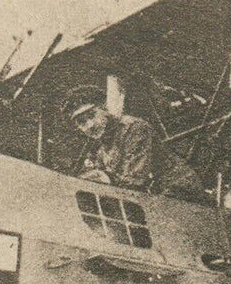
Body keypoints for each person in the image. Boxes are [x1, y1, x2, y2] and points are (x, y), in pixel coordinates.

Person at [60, 85, 205, 200]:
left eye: (92, 115)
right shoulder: (101, 148)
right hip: (155, 196)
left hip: (179, 192)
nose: (90, 125)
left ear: (104, 108)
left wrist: (103, 177)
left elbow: (135, 180)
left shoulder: (133, 128)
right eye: (81, 122)